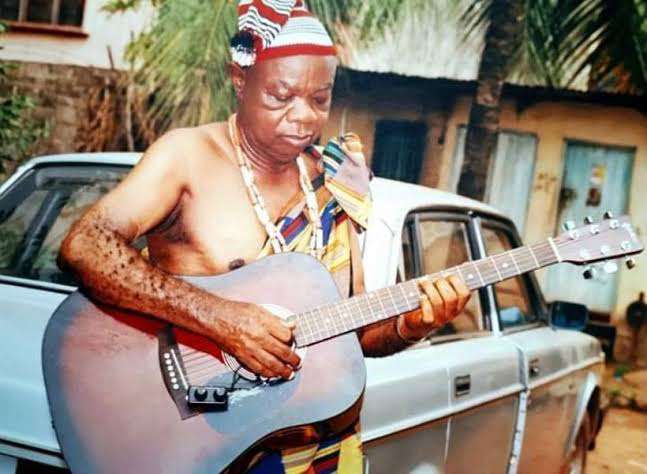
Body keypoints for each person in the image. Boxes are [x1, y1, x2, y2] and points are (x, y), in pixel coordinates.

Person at [58, 1, 471, 472]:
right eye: (281, 95)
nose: (303, 117)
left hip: (317, 446)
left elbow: (353, 333)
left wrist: (411, 325)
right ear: (240, 80)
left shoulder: (336, 180)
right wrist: (218, 317)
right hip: (210, 440)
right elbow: (85, 245)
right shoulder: (187, 157)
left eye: (320, 99)